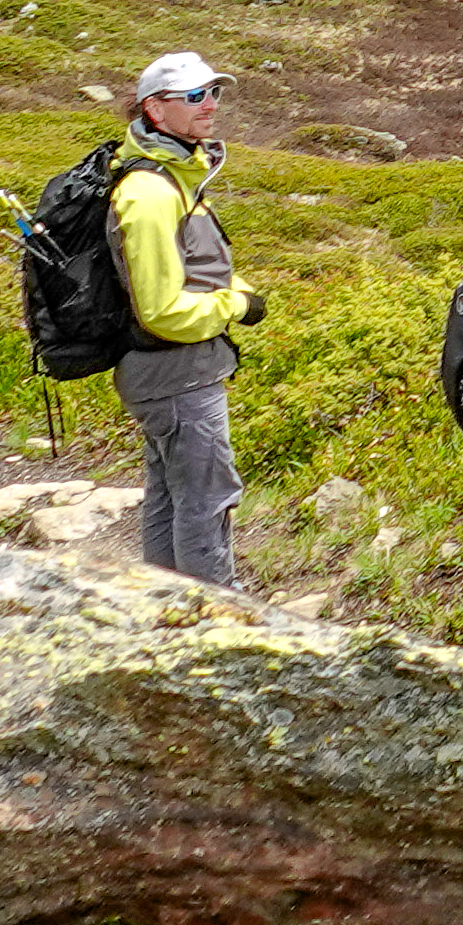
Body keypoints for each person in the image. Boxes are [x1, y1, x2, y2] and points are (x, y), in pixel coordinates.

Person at [105, 52, 260, 588]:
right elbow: (162, 310)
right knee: (205, 501)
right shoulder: (150, 192)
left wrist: (232, 290)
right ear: (155, 108)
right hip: (176, 372)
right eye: (194, 96)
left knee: (170, 495)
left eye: (214, 93)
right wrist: (236, 306)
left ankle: (162, 611)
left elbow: (192, 272)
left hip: (168, 372)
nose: (210, 105)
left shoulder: (170, 177)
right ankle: (217, 622)